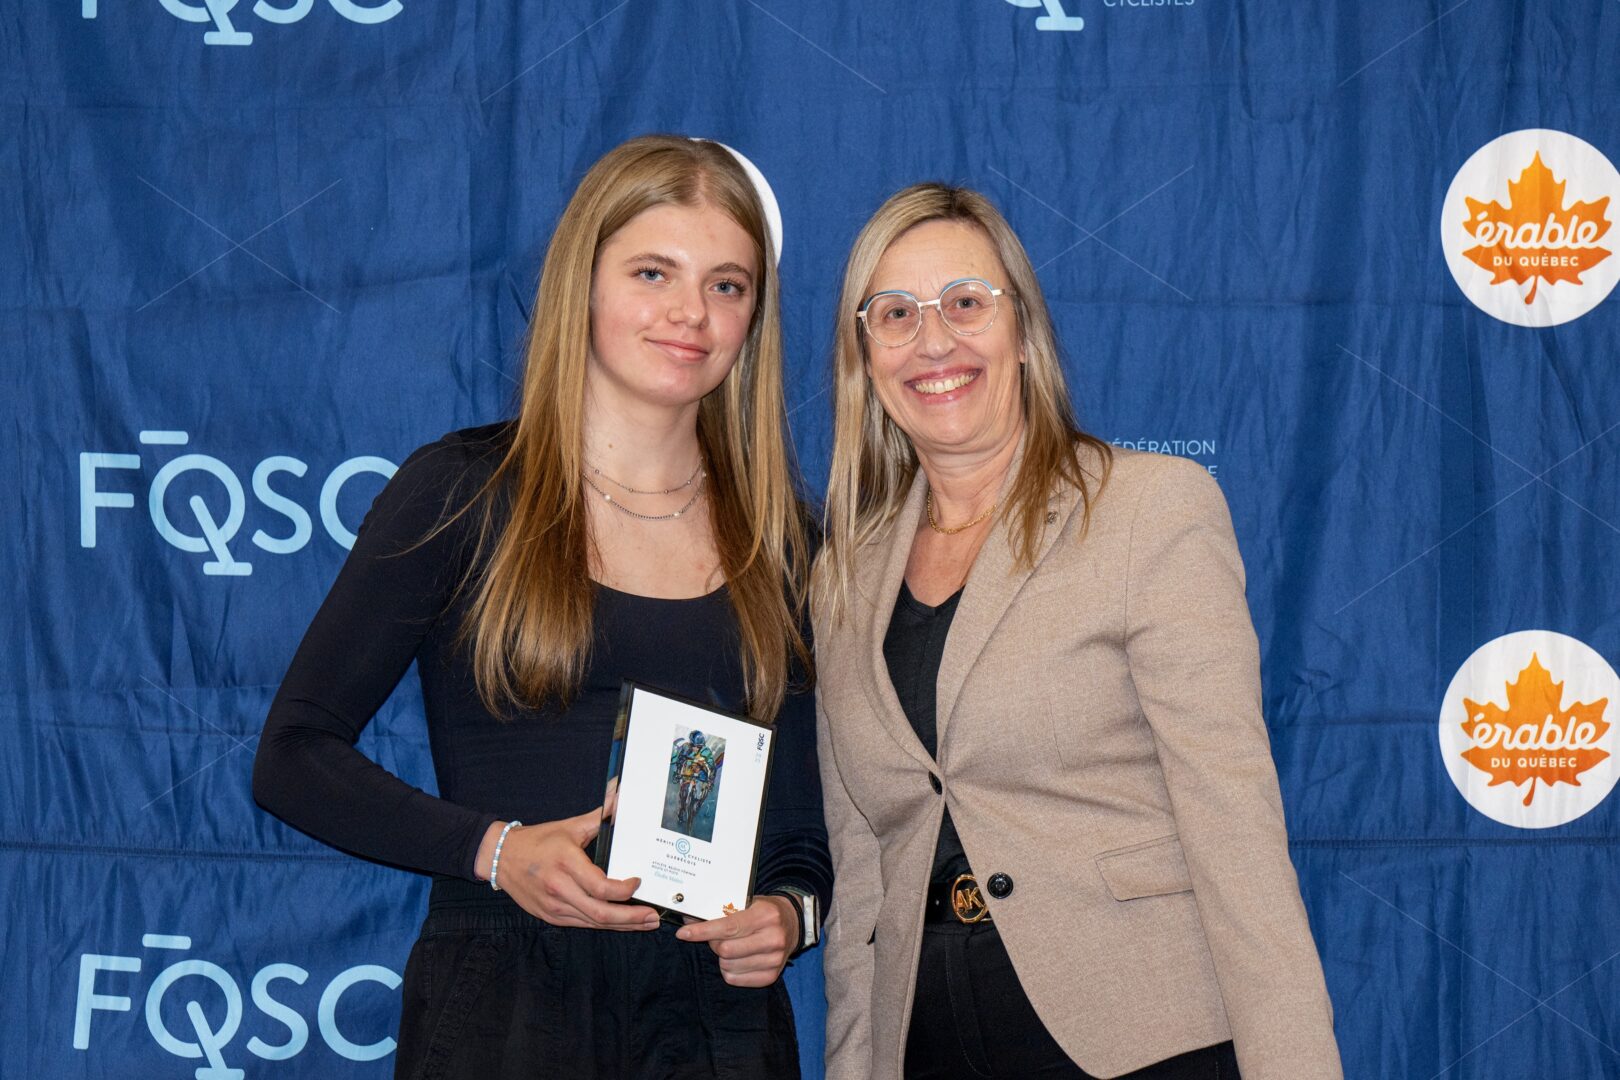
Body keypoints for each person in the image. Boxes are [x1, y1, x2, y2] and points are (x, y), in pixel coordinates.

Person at [252, 135, 829, 1080]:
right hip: (505, 1006)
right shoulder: (465, 492)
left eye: (728, 285)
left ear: (755, 317)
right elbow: (293, 756)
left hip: (715, 1020)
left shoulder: (789, 546)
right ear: (584, 285)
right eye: (654, 271)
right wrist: (494, 850)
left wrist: (787, 917)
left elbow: (806, 832)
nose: (692, 312)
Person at [812, 184, 1342, 1080]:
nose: (933, 340)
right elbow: (863, 876)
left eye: (966, 304)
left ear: (1023, 334)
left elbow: (1235, 830)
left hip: (1144, 1039)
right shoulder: (842, 576)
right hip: (931, 1045)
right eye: (895, 313)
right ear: (863, 358)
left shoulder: (1148, 508)